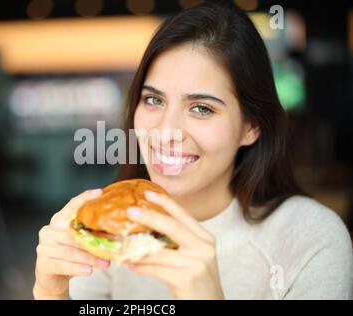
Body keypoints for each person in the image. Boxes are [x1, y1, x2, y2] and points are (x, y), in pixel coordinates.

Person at [33, 2, 353, 299]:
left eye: (201, 108)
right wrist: (51, 294)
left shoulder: (311, 239)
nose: (166, 132)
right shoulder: (108, 230)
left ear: (251, 127)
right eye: (154, 100)